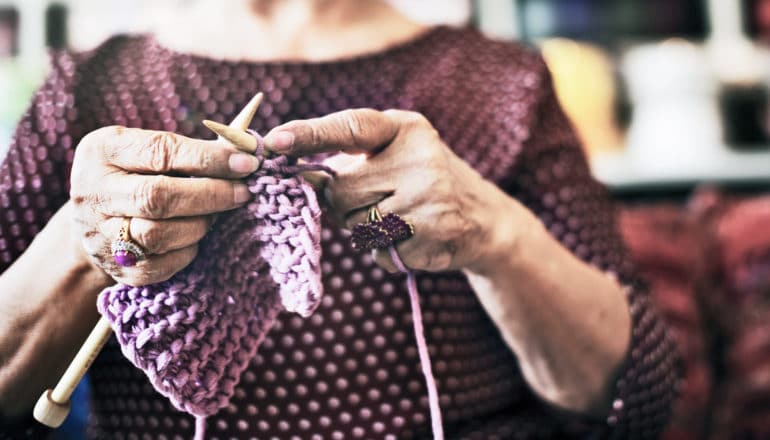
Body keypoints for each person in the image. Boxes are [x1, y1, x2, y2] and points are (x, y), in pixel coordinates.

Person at [0, 0, 679, 438]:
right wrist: (95, 246)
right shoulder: (88, 90)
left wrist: (491, 234)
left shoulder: (498, 82)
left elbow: (636, 393)